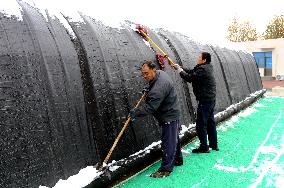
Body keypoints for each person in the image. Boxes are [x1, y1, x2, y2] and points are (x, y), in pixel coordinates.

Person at [130, 61, 183, 178]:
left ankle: (166, 169)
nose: (145, 76)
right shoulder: (159, 73)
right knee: (174, 139)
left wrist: (135, 112)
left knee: (168, 142)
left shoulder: (159, 87)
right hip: (172, 111)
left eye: (146, 73)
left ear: (153, 70)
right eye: (143, 74)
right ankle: (178, 159)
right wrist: (147, 88)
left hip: (169, 115)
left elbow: (150, 107)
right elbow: (152, 83)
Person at [173, 52, 219, 153]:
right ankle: (214, 144)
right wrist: (180, 68)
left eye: (199, 57)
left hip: (205, 100)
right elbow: (192, 71)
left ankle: (204, 147)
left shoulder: (203, 69)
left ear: (204, 60)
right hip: (210, 99)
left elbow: (190, 78)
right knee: (210, 123)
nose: (198, 58)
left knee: (200, 124)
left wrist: (179, 71)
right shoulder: (206, 67)